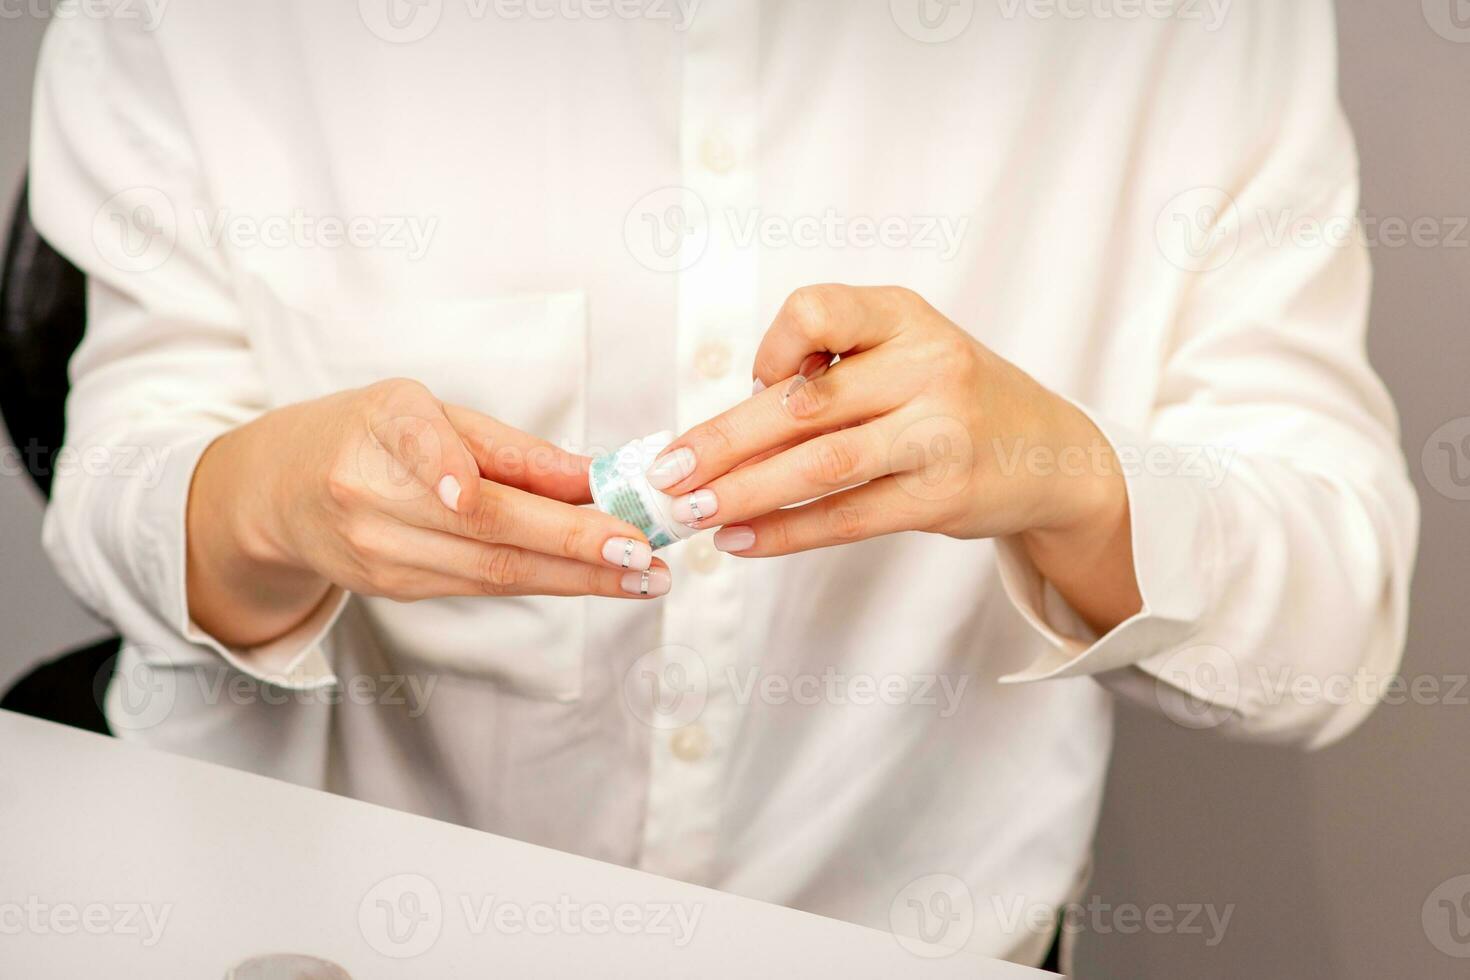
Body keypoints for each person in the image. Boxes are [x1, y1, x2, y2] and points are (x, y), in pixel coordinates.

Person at [28, 1, 1417, 968]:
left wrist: (1062, 475)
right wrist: (256, 501)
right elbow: (119, 477)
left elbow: (1330, 641)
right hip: (315, 933)